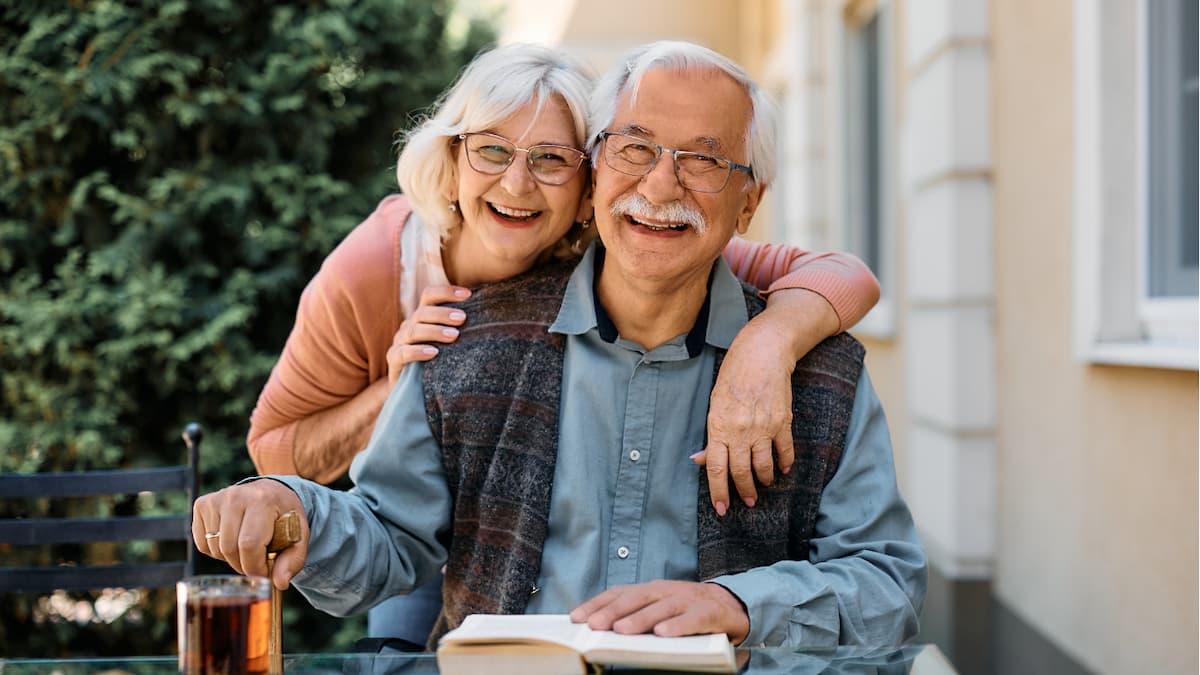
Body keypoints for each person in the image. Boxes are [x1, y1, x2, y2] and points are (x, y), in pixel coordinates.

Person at [198, 40, 924, 649]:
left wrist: (743, 607)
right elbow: (389, 532)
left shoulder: (821, 372)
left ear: (749, 203)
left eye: (703, 161)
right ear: (600, 167)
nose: (660, 184)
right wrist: (292, 505)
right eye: (635, 147)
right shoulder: (462, 338)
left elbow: (888, 585)